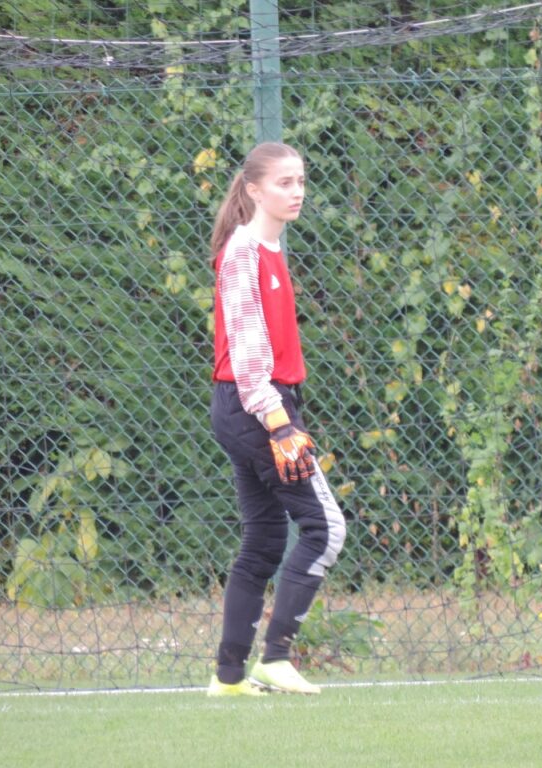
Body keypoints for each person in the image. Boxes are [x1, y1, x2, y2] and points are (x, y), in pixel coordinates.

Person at [206, 142, 347, 696]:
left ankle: (229, 678)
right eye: (284, 182)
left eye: (301, 181)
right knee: (325, 528)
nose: (297, 192)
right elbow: (247, 359)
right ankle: (277, 657)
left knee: (264, 539)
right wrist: (280, 423)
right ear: (253, 190)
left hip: (246, 407)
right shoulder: (244, 251)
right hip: (258, 408)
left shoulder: (267, 248)